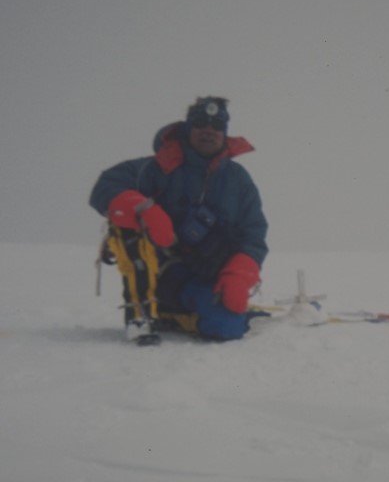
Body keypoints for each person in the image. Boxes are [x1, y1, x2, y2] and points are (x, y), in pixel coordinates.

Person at [89, 97, 267, 343]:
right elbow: (106, 185)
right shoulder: (154, 168)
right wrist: (146, 210)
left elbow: (254, 234)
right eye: (201, 123)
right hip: (160, 272)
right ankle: (141, 315)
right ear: (187, 128)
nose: (209, 130)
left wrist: (239, 274)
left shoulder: (239, 181)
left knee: (226, 327)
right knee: (126, 228)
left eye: (217, 125)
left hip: (205, 274)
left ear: (225, 133)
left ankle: (175, 315)